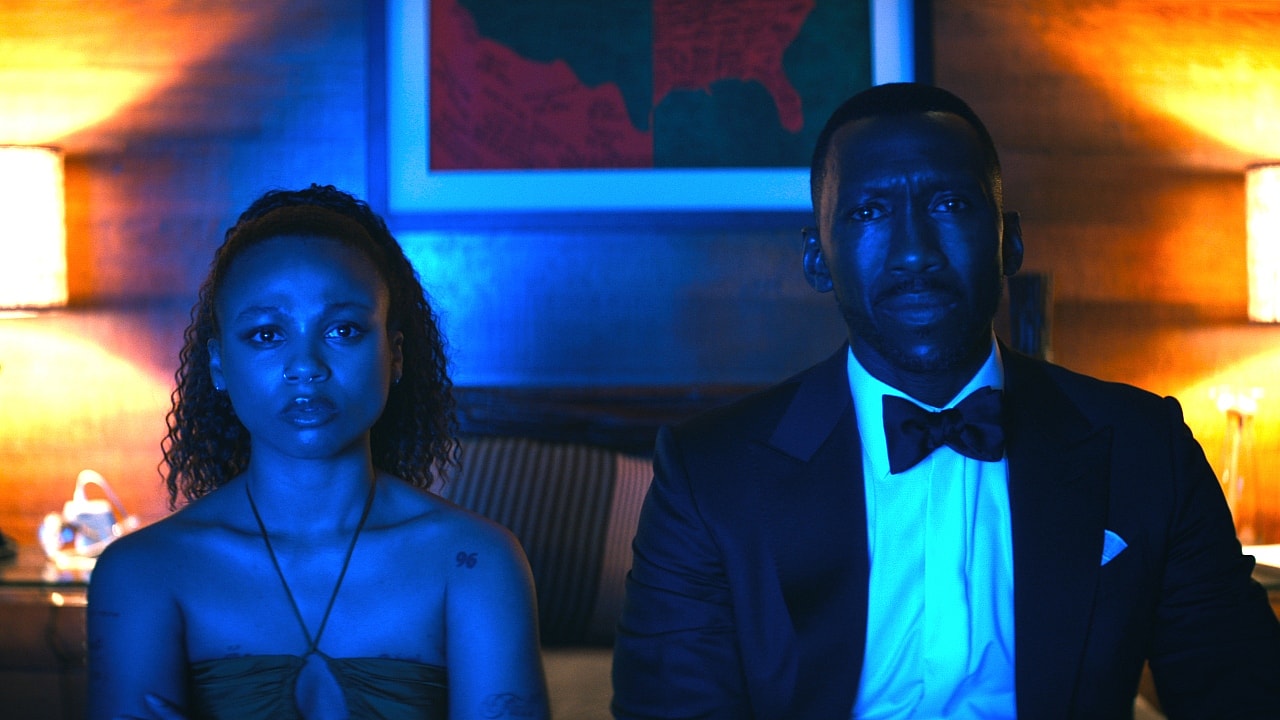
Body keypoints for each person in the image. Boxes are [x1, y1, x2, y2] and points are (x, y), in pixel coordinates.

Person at [612, 83, 1280, 719]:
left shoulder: (1144, 446)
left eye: (951, 204)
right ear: (817, 258)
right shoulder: (709, 474)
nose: (914, 254)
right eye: (870, 212)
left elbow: (1241, 692)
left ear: (1009, 242)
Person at [88, 185, 549, 720]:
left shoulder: (475, 560)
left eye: (343, 330)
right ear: (218, 365)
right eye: (266, 334)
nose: (306, 365)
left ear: (395, 355)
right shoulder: (143, 570)